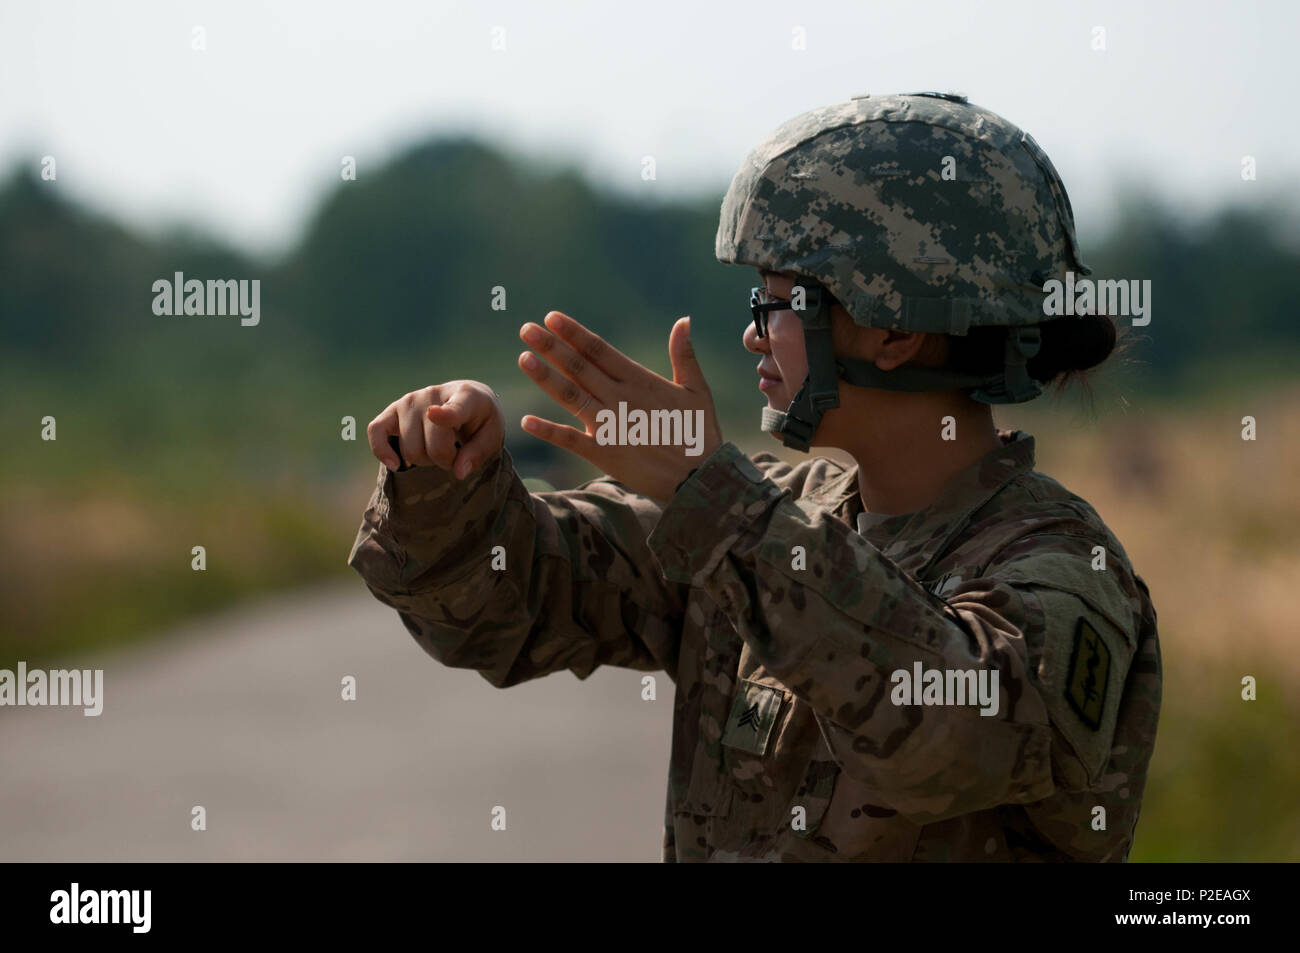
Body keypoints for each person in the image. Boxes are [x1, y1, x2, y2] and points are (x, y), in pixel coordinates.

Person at [347, 92, 1161, 862]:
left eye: (779, 300)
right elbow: (508, 607)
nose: (753, 335)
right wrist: (448, 476)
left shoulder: (1062, 567)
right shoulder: (778, 515)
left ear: (892, 328)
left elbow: (945, 736)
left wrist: (716, 497)